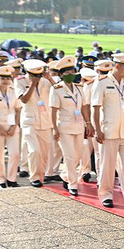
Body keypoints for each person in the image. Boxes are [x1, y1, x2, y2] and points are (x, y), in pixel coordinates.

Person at [91, 53, 124, 210]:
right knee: (108, 165)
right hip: (109, 130)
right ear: (117, 66)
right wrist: (97, 130)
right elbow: (96, 107)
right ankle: (106, 194)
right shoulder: (102, 82)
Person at [49, 56, 87, 196]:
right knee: (70, 156)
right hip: (64, 126)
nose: (70, 74)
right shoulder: (57, 89)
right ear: (61, 74)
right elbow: (53, 110)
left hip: (78, 125)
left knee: (78, 155)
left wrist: (87, 123)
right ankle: (73, 183)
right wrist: (54, 128)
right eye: (66, 72)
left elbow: (83, 107)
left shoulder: (79, 88)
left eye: (72, 71)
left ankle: (65, 176)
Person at [15, 58, 54, 187]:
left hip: (45, 121)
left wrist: (49, 78)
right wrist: (32, 84)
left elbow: (59, 91)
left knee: (43, 153)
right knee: (34, 150)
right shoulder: (19, 81)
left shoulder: (45, 81)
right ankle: (34, 177)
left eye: (38, 75)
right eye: (34, 75)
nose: (37, 77)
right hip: (29, 121)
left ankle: (40, 176)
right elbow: (24, 99)